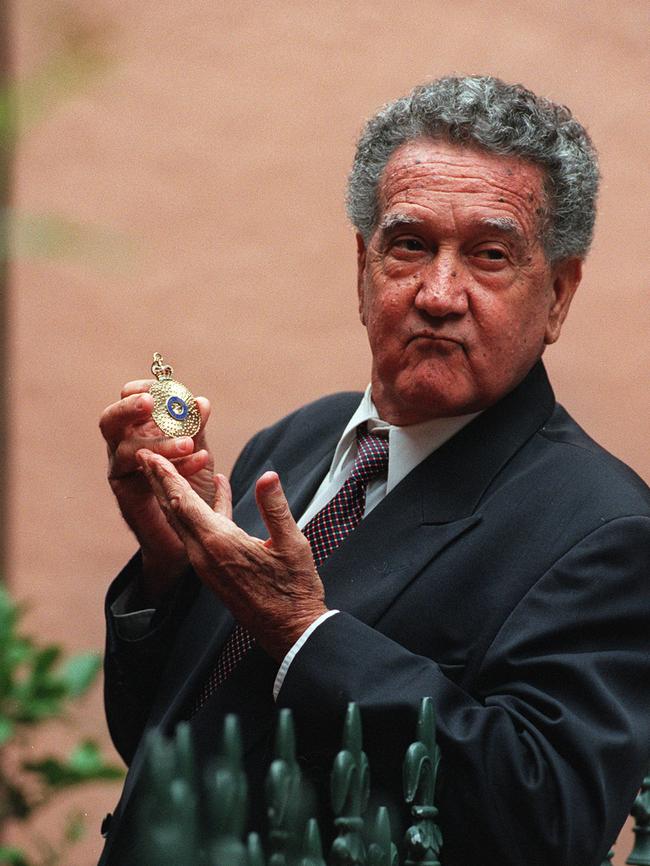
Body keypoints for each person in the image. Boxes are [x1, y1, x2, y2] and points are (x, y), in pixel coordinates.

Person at [98, 76, 650, 866]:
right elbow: (169, 743)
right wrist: (164, 567)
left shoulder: (605, 528)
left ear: (559, 295)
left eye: (490, 256)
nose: (438, 293)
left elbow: (548, 822)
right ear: (364, 268)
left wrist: (303, 633)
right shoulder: (294, 442)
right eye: (409, 245)